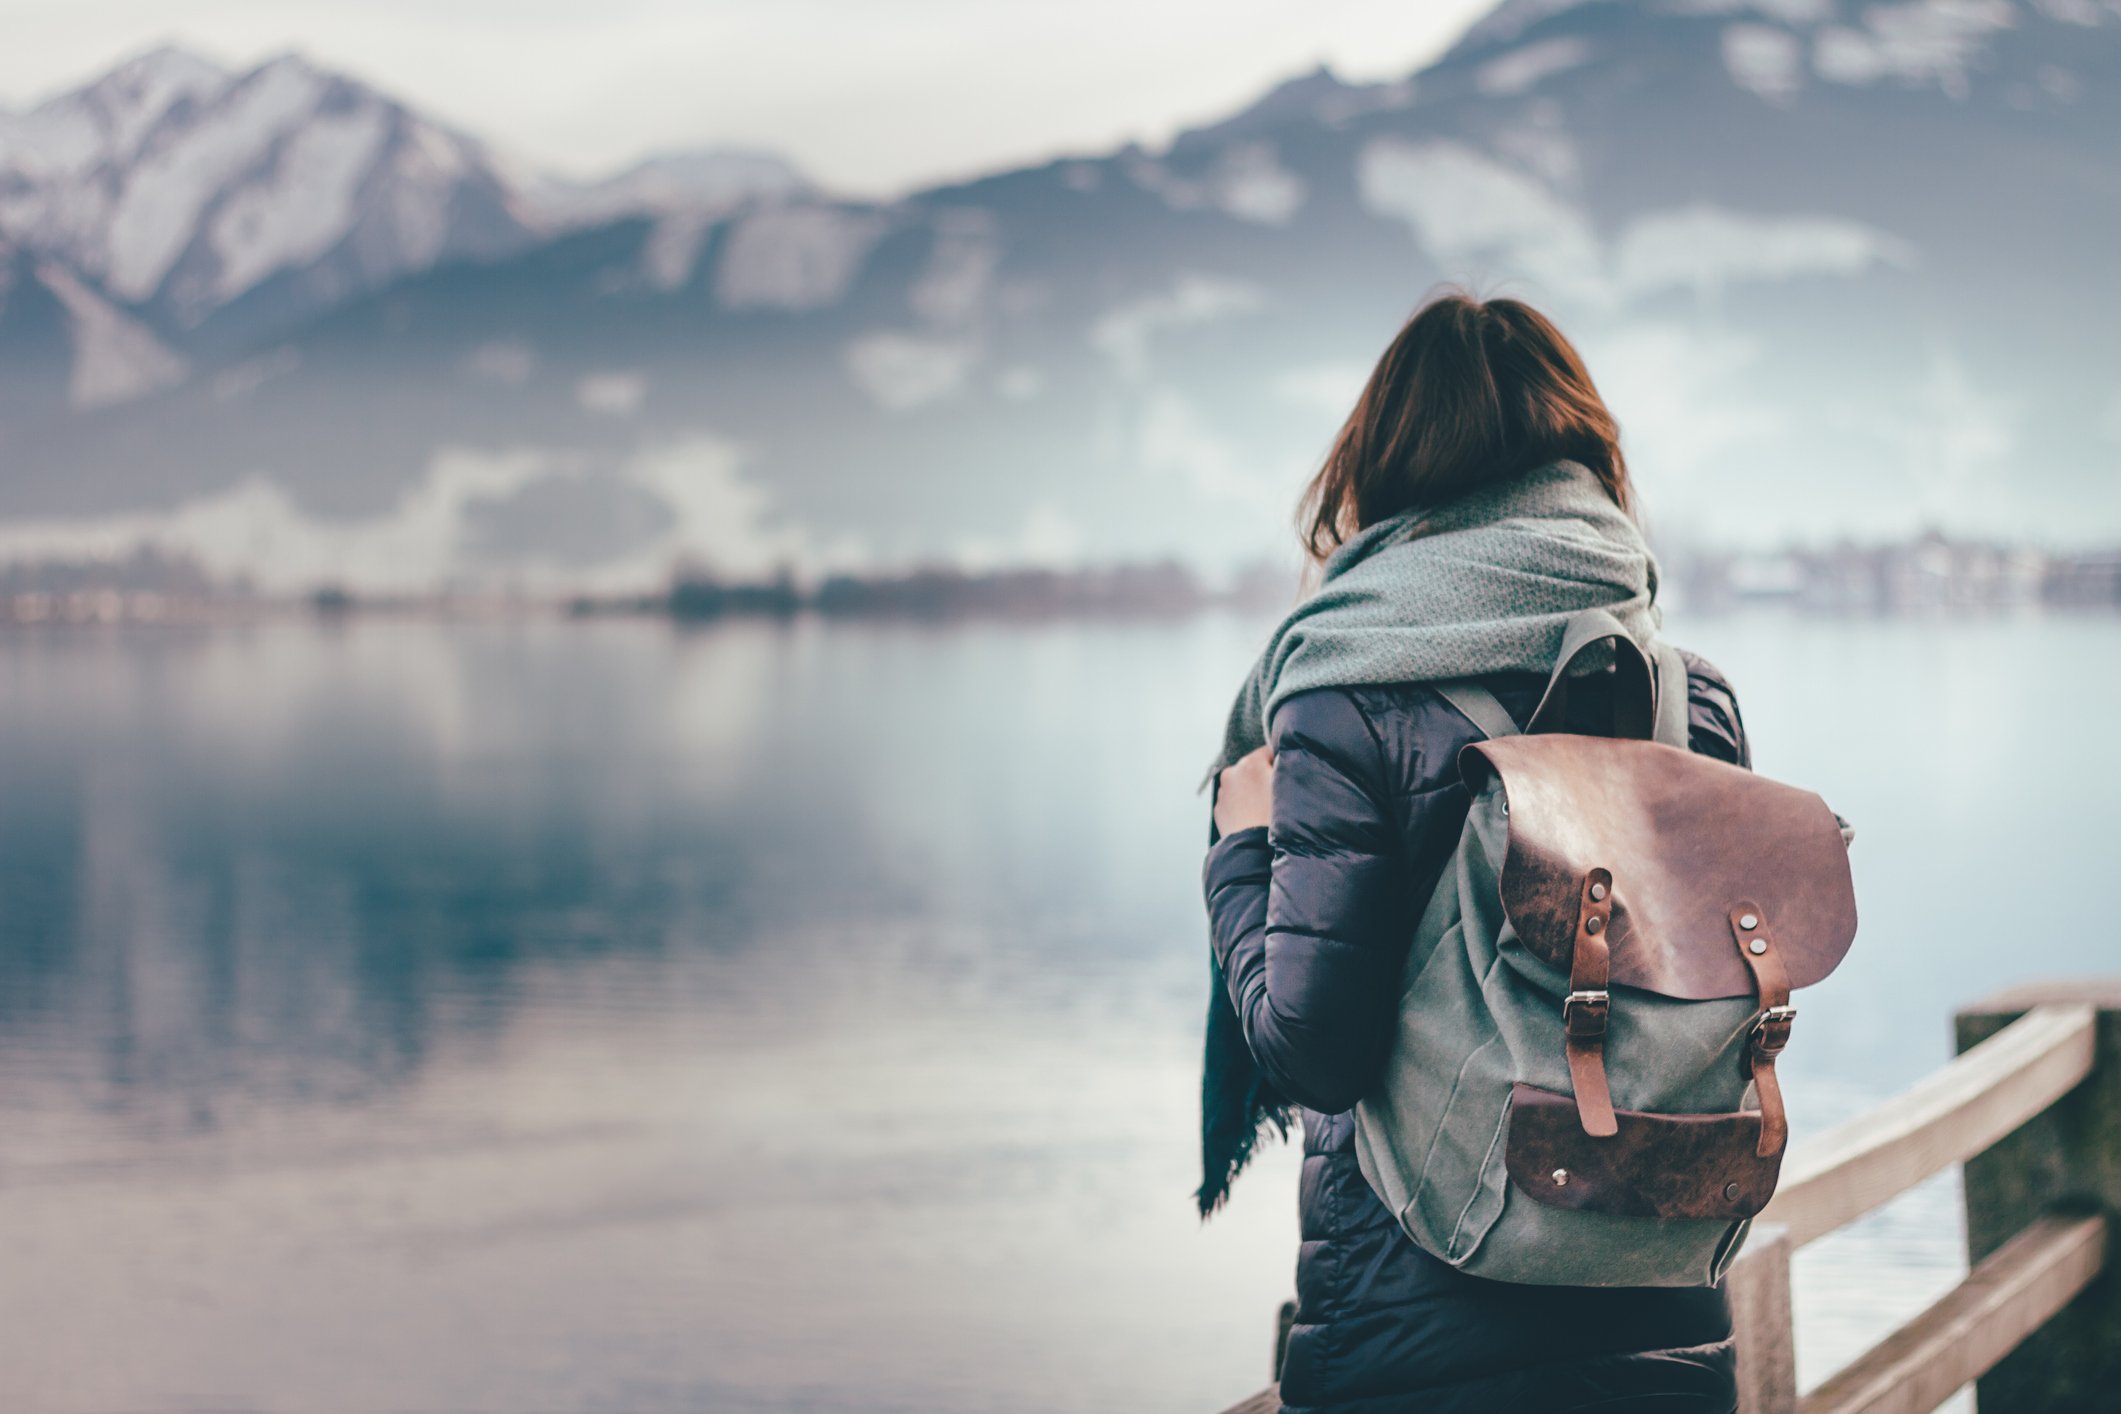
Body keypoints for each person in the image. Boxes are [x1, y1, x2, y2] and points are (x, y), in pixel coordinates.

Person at [1201, 292, 1749, 1413]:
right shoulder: (1688, 698)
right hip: (1665, 1315)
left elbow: (1316, 1048)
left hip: (1419, 1329)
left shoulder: (1344, 698)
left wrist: (1241, 849)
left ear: (1385, 471)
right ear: (1583, 461)